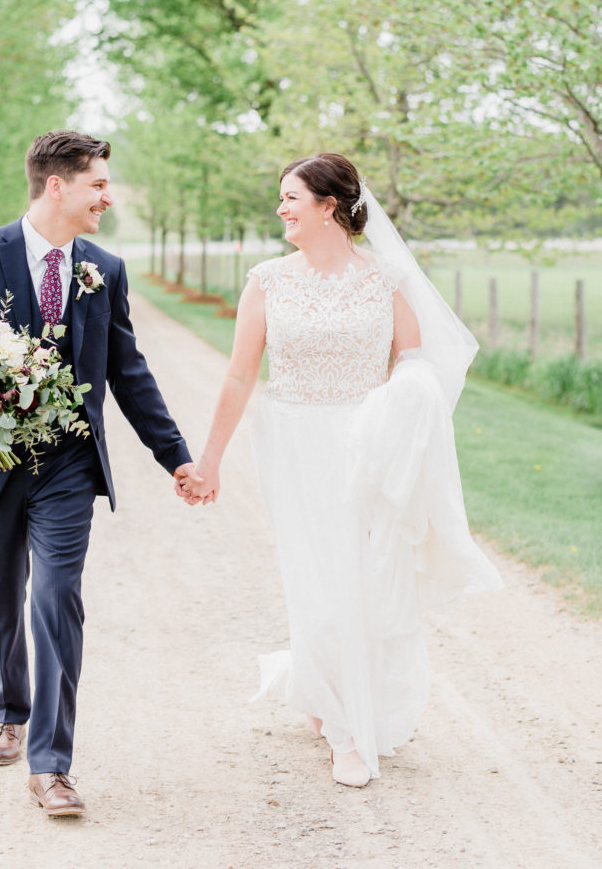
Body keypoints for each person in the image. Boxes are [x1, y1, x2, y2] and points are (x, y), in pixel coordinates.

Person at [177, 153, 502, 787]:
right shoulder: (267, 280)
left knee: (363, 579)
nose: (281, 209)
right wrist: (209, 460)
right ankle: (339, 713)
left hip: (365, 444)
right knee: (316, 577)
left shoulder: (386, 280)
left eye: (291, 198)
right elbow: (241, 375)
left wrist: (407, 397)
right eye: (281, 198)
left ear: (330, 206)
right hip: (294, 442)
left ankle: (348, 714)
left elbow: (413, 362)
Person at [0, 130, 200, 816]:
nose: (108, 198)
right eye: (99, 185)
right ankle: (8, 707)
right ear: (58, 185)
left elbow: (128, 371)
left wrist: (175, 454)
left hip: (69, 464)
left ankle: (51, 764)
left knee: (56, 597)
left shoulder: (103, 268)